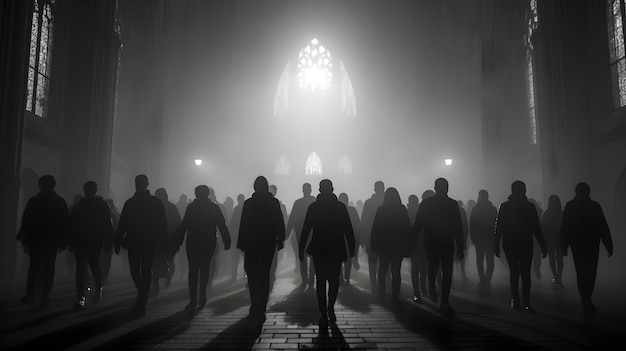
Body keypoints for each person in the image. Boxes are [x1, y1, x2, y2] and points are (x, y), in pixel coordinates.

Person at [300, 179, 355, 331]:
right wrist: (352, 247)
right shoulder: (340, 207)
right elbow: (348, 229)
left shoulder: (314, 207)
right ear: (332, 189)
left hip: (319, 248)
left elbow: (306, 229)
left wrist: (301, 248)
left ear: (319, 189)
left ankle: (323, 311)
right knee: (334, 280)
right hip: (336, 248)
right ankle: (330, 307)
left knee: (321, 281)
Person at [114, 174, 167, 317]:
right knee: (145, 268)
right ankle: (143, 293)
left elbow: (123, 223)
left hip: (135, 240)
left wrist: (118, 240)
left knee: (136, 268)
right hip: (149, 240)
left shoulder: (131, 203)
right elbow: (162, 223)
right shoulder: (155, 202)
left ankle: (142, 294)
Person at [411, 178, 464, 316]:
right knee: (446, 271)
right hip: (446, 241)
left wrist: (412, 239)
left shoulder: (427, 203)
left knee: (434, 266)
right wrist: (460, 245)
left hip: (432, 240)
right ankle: (444, 300)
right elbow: (458, 226)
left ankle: (433, 289)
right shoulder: (452, 204)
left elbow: (418, 223)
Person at [237, 176, 286, 324]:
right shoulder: (273, 203)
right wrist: (281, 239)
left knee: (252, 274)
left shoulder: (249, 204)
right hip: (268, 242)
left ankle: (254, 303)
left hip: (252, 243)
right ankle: (262, 306)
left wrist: (241, 243)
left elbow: (244, 224)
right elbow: (279, 221)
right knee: (264, 274)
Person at [17, 175, 70, 307]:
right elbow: (65, 223)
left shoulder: (34, 201)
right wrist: (64, 240)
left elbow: (26, 219)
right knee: (49, 266)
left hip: (36, 239)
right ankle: (45, 293)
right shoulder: (59, 201)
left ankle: (31, 294)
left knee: (34, 267)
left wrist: (22, 234)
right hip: (52, 240)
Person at [560, 182, 614, 314]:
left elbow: (565, 226)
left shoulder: (570, 206)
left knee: (581, 270)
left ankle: (585, 297)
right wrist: (608, 244)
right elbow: (602, 225)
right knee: (591, 271)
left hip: (577, 243)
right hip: (592, 243)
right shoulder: (594, 206)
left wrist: (564, 244)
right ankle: (587, 297)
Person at [494, 180, 547, 313]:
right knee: (525, 273)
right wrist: (542, 243)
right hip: (525, 242)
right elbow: (536, 227)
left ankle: (515, 300)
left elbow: (499, 227)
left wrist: (496, 243)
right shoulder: (529, 207)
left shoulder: (505, 206)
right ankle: (526, 302)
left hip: (510, 242)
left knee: (514, 272)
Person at [177, 185, 231, 311]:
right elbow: (221, 224)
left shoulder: (191, 207)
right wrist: (226, 239)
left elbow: (184, 225)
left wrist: (178, 240)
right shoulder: (213, 207)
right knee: (205, 268)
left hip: (193, 242)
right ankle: (202, 294)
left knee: (193, 270)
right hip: (208, 242)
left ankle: (193, 299)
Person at [69, 181, 113, 307]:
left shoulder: (79, 206)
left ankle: (84, 295)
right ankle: (93, 291)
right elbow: (108, 225)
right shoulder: (101, 205)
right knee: (90, 267)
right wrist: (108, 241)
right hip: (91, 240)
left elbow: (72, 224)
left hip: (86, 240)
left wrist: (71, 240)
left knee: (86, 267)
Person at [371, 187, 411, 306]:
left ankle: (382, 292)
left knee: (382, 270)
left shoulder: (381, 209)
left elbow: (376, 228)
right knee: (396, 272)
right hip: (397, 245)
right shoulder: (402, 209)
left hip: (383, 245)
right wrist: (407, 245)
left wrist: (374, 244)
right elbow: (407, 228)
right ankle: (395, 295)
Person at [152, 188, 182, 296]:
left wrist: (177, 240)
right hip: (158, 240)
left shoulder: (171, 208)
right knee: (155, 263)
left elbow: (178, 224)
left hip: (170, 240)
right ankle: (156, 285)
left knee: (169, 260)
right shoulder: (155, 208)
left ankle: (168, 276)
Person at [286, 183, 316, 289]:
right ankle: (311, 279)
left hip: (300, 231)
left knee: (302, 255)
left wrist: (287, 232)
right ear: (311, 190)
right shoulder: (314, 201)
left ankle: (305, 280)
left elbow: (292, 217)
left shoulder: (298, 203)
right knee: (313, 256)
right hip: (313, 232)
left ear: (303, 190)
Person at [360, 180, 385, 295]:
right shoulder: (387, 201)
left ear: (374, 189)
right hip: (384, 235)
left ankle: (373, 283)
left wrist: (363, 237)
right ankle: (382, 283)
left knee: (372, 261)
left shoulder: (369, 203)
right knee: (384, 261)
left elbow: (364, 220)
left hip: (371, 235)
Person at [469, 189, 497, 288]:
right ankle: (487, 279)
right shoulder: (492, 209)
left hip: (479, 239)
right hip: (489, 238)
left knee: (480, 260)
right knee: (490, 261)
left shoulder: (476, 209)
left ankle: (483, 279)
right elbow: (496, 224)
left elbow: (472, 224)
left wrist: (472, 237)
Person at [542, 194, 564, 288]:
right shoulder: (561, 213)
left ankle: (555, 276)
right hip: (559, 238)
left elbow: (544, 227)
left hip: (550, 239)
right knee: (559, 259)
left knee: (552, 258)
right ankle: (559, 277)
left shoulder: (546, 213)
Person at [228, 194, 245, 282]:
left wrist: (228, 236)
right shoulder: (247, 208)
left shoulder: (236, 209)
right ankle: (246, 275)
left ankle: (234, 275)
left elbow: (232, 223)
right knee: (246, 257)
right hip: (246, 237)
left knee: (234, 257)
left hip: (236, 236)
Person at [457, 200, 469, 281]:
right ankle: (462, 273)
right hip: (460, 237)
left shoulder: (451, 210)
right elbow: (465, 226)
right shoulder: (462, 211)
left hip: (454, 237)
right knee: (461, 257)